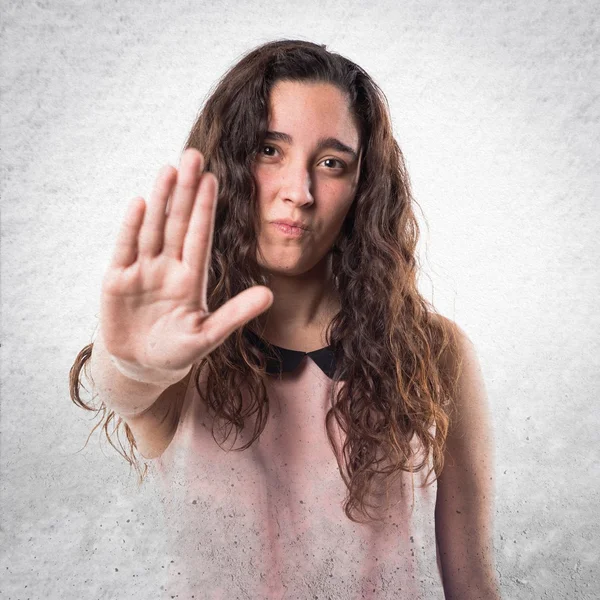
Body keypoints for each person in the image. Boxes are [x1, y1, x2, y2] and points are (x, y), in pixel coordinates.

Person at [70, 39, 501, 600]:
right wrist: (130, 361)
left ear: (362, 187)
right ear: (230, 159)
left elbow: (473, 586)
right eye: (269, 150)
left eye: (330, 163)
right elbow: (127, 390)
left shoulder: (436, 353)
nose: (298, 193)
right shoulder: (185, 352)